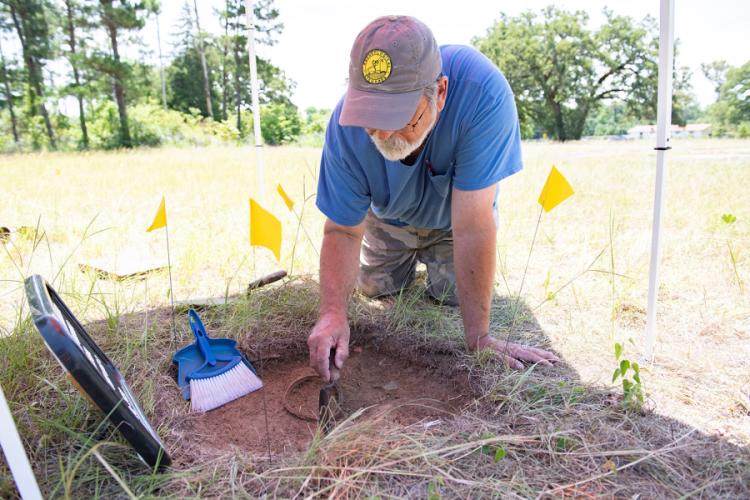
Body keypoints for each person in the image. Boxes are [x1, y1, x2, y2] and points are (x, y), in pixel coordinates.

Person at [308, 15, 559, 381]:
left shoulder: (483, 93)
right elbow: (343, 231)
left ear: (440, 92)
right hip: (388, 220)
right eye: (371, 117)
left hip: (453, 224)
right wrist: (332, 312)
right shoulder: (344, 128)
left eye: (400, 117)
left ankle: (440, 268)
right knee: (378, 288)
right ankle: (397, 261)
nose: (383, 132)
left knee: (450, 297)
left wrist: (479, 337)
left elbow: (473, 225)